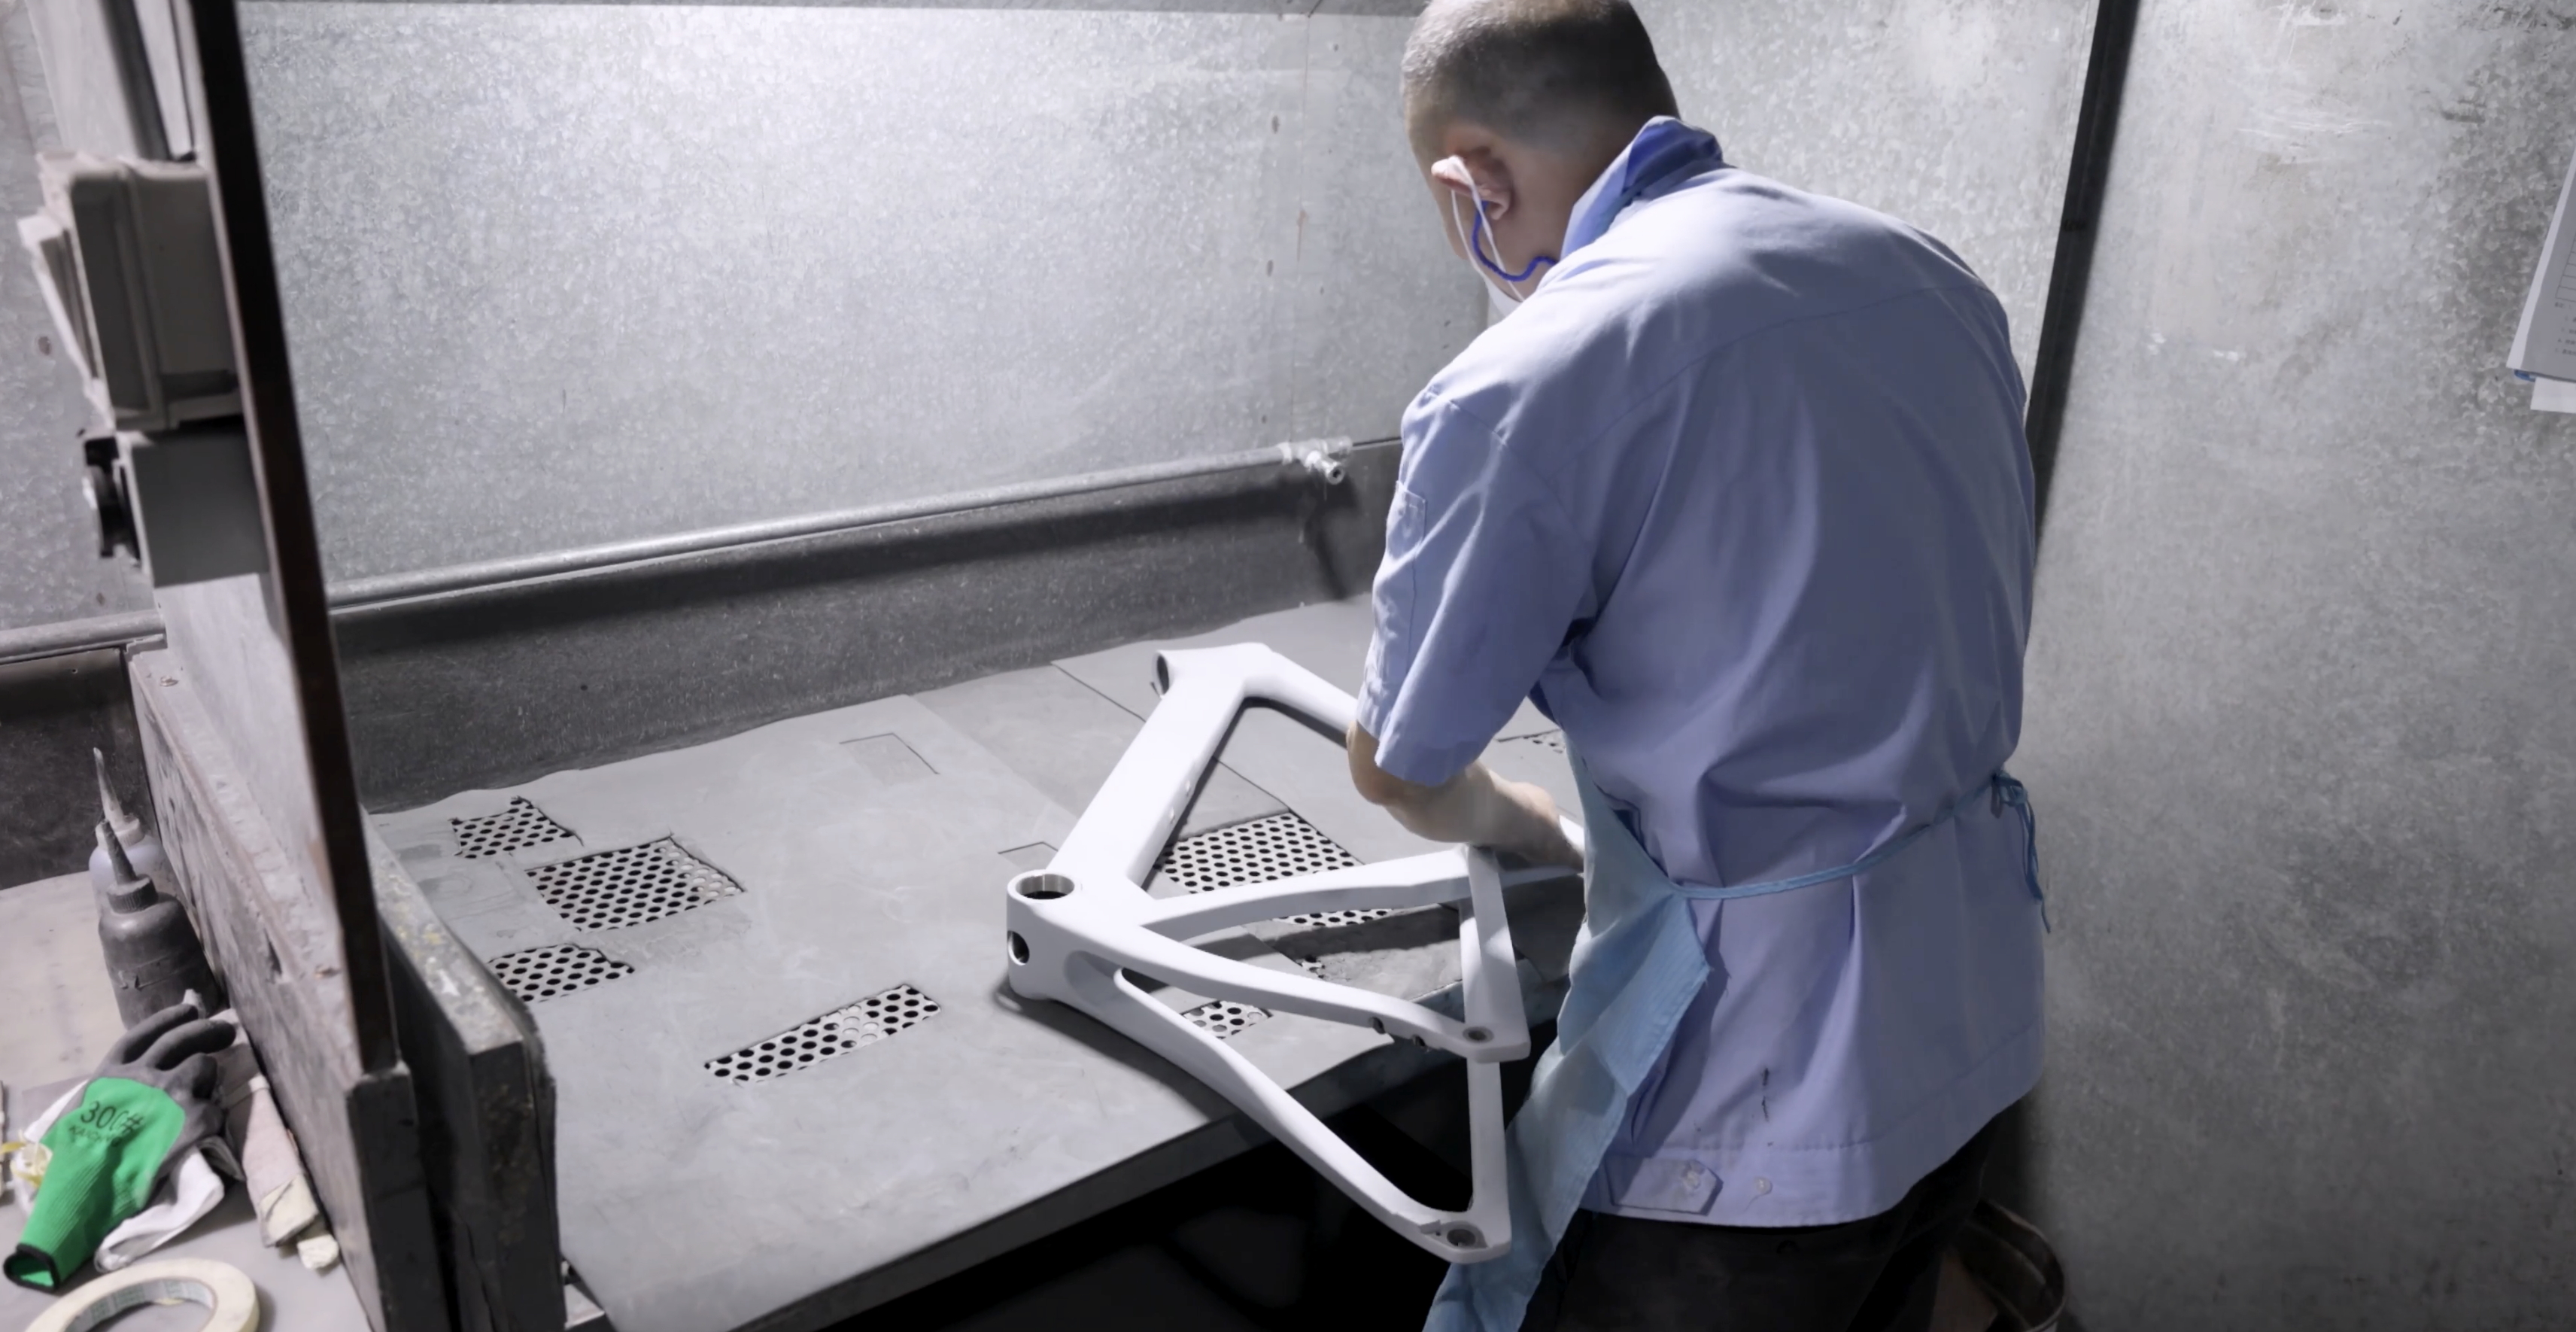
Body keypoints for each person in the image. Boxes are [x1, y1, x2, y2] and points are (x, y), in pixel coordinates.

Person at [1340, 2, 2048, 1329]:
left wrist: (1525, 822)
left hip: (1754, 1113)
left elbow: (1399, 759)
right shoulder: (1928, 275)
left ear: (1472, 181)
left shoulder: (1530, 378)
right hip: (1969, 1018)